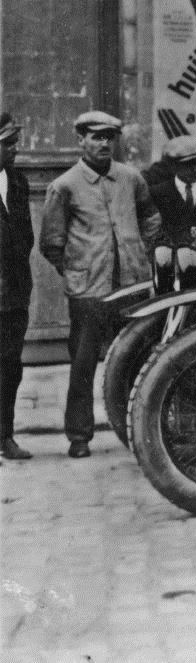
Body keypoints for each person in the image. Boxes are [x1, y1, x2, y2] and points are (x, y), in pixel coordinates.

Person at [39, 111, 161, 459]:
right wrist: (77, 269)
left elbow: (151, 217)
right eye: (96, 136)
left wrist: (140, 251)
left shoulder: (131, 178)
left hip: (132, 287)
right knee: (83, 362)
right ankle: (79, 436)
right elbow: (51, 242)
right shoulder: (63, 186)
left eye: (109, 136)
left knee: (140, 357)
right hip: (89, 291)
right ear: (81, 140)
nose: (104, 143)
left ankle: (140, 429)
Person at [1, 112, 35, 460]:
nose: (15, 149)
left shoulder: (18, 182)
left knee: (10, 365)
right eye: (7, 143)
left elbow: (26, 237)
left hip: (13, 293)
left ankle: (4, 436)